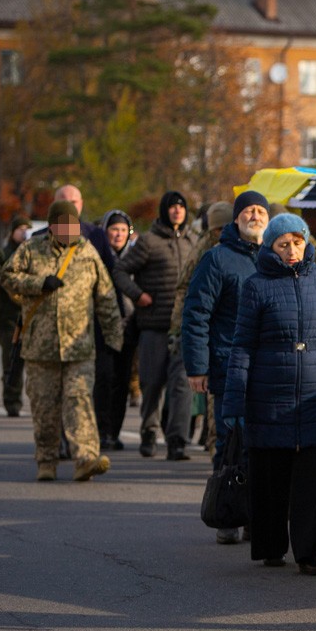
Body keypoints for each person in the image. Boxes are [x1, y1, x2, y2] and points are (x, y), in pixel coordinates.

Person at [222, 213, 316, 576]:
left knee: (315, 479)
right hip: (269, 395)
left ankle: (309, 551)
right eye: (283, 244)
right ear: (271, 247)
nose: (292, 250)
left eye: (297, 242)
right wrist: (234, 401)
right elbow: (241, 346)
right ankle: (271, 545)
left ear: (307, 243)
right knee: (270, 476)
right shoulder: (256, 285)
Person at [0, 200, 123, 481]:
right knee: (45, 406)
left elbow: (105, 297)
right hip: (40, 348)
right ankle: (46, 459)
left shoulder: (88, 252)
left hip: (79, 347)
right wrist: (38, 283)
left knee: (78, 401)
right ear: (52, 226)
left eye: (73, 224)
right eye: (62, 224)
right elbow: (6, 276)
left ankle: (85, 459)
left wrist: (115, 337)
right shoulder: (31, 249)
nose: (69, 229)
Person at [183, 191, 268, 545]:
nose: (255, 216)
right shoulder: (216, 259)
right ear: (235, 218)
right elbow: (196, 313)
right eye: (248, 210)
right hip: (227, 366)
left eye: (261, 211)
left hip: (267, 369)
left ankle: (254, 516)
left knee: (261, 444)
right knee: (229, 442)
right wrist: (197, 368)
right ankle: (226, 513)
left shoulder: (273, 255)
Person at [112, 191, 195, 459]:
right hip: (153, 326)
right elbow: (120, 271)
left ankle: (177, 441)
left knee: (182, 385)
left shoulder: (193, 241)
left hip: (183, 328)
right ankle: (149, 433)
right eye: (172, 207)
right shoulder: (149, 241)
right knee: (151, 383)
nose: (177, 211)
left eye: (181, 207)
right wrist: (137, 295)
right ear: (164, 211)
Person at [170, 201, 231, 454]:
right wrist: (177, 329)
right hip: (208, 329)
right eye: (218, 229)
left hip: (227, 329)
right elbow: (184, 288)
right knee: (205, 391)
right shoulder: (205, 252)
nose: (221, 233)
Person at [93, 210, 137, 449]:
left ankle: (114, 432)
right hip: (101, 327)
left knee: (122, 381)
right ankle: (100, 430)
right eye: (114, 229)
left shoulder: (137, 256)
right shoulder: (96, 255)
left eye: (123, 230)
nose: (118, 234)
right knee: (104, 378)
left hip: (128, 326)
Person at [0, 214, 31, 417]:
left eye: (27, 229)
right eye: (20, 229)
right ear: (12, 232)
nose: (24, 233)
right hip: (9, 320)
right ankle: (12, 401)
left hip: (31, 316)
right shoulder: (3, 254)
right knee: (12, 361)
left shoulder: (34, 253)